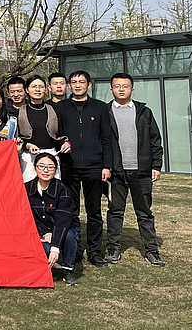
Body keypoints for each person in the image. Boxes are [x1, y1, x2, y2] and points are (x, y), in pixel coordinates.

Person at [53, 70, 113, 268]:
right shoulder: (60, 108)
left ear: (89, 85)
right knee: (71, 211)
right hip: (68, 165)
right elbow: (55, 135)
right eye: (74, 82)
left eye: (81, 81)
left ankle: (94, 252)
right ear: (69, 86)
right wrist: (61, 146)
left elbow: (107, 138)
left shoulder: (100, 107)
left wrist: (107, 165)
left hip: (94, 166)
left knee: (94, 212)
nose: (77, 85)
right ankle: (75, 250)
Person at [105, 73, 165, 267]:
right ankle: (113, 248)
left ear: (132, 89)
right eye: (117, 86)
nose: (121, 89)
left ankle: (152, 250)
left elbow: (155, 140)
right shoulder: (105, 112)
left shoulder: (144, 112)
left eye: (125, 86)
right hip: (116, 172)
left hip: (141, 171)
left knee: (144, 212)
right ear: (111, 89)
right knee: (115, 211)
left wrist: (156, 165)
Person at [25, 153, 79, 287]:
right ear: (35, 168)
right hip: (39, 231)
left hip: (62, 228)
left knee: (70, 236)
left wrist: (55, 246)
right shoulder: (26, 188)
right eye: (41, 166)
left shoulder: (62, 189)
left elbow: (63, 219)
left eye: (50, 167)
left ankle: (68, 269)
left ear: (55, 170)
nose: (46, 170)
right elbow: (28, 216)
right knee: (45, 249)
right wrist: (44, 232)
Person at [17, 75, 71, 182]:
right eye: (34, 86)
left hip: (50, 155)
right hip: (29, 158)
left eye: (41, 87)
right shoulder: (20, 111)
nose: (37, 89)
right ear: (27, 90)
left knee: (53, 188)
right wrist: (27, 145)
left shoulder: (53, 110)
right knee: (29, 188)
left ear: (46, 90)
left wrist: (65, 144)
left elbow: (60, 134)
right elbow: (17, 137)